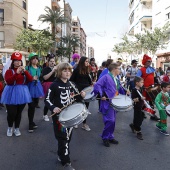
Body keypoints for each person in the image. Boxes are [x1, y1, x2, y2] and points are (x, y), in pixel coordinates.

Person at [45, 62, 85, 170]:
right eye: (64, 70)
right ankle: (66, 161)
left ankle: (60, 154)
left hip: (70, 116)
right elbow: (47, 99)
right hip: (59, 117)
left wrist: (81, 96)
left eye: (69, 71)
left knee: (67, 138)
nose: (67, 73)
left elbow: (77, 99)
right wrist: (53, 108)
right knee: (63, 138)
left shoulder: (72, 84)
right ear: (59, 72)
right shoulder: (54, 85)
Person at [93, 63, 128, 147]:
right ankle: (105, 137)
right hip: (107, 102)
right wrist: (102, 95)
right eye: (119, 68)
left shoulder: (116, 78)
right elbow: (97, 85)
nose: (120, 70)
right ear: (114, 69)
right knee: (110, 121)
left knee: (113, 121)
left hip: (115, 101)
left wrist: (126, 91)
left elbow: (118, 88)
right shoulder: (106, 77)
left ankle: (110, 136)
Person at [1, 52, 33, 136]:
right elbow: (9, 81)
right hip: (10, 93)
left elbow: (30, 80)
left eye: (19, 61)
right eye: (16, 61)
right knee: (12, 113)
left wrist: (25, 72)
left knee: (19, 112)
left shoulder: (24, 71)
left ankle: (17, 128)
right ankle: (10, 127)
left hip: (22, 93)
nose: (18, 62)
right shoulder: (9, 71)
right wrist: (17, 73)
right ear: (13, 62)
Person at [70, 56, 92, 131]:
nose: (87, 63)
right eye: (86, 61)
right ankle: (76, 122)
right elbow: (71, 81)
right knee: (78, 107)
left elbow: (89, 82)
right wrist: (77, 90)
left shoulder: (87, 70)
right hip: (78, 91)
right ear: (82, 62)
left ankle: (84, 124)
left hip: (86, 92)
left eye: (88, 61)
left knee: (85, 108)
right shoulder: (76, 70)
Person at [136, 54, 160, 121]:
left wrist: (156, 83)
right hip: (144, 89)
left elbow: (154, 77)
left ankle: (153, 115)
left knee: (151, 102)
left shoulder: (152, 69)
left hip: (151, 89)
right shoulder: (141, 70)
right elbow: (137, 79)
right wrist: (141, 86)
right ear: (145, 62)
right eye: (148, 61)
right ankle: (142, 113)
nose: (150, 62)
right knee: (143, 102)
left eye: (150, 61)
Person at [26, 52, 44, 133]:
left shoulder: (39, 68)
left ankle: (32, 121)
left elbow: (40, 78)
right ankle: (30, 123)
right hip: (30, 87)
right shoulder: (27, 68)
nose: (35, 60)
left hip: (37, 87)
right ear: (30, 60)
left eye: (36, 58)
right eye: (33, 58)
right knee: (31, 106)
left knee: (35, 104)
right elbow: (25, 78)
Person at [42, 57, 57, 121]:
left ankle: (54, 116)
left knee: (55, 101)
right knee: (48, 100)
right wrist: (53, 71)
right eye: (51, 61)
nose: (52, 62)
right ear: (48, 62)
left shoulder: (57, 69)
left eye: (53, 61)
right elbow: (45, 78)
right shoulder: (45, 69)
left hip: (55, 85)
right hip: (47, 85)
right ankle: (45, 114)